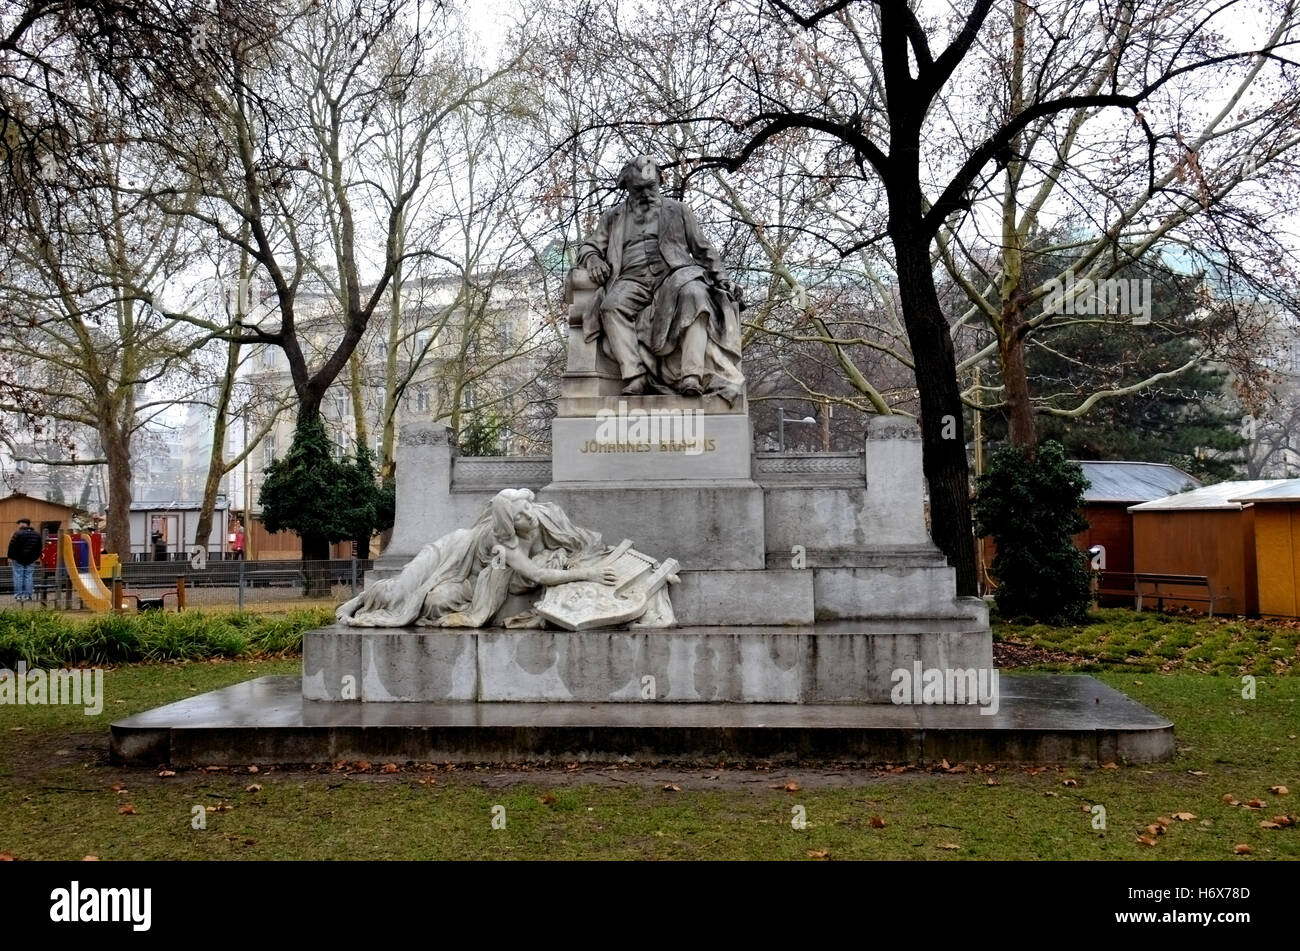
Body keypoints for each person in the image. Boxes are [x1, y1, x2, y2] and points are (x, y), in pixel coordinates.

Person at [576, 155, 746, 405]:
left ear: (660, 182)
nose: (645, 194)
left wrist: (722, 279)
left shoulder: (678, 211)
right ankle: (635, 375)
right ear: (628, 188)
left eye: (650, 187)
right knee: (610, 306)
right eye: (638, 189)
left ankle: (692, 375)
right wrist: (593, 260)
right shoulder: (613, 217)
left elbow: (703, 250)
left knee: (696, 295)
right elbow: (589, 247)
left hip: (674, 275)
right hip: (631, 278)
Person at [336, 489, 619, 628]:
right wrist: (587, 575)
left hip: (467, 576)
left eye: (528, 507)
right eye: (520, 515)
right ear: (508, 523)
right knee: (400, 591)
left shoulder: (545, 516)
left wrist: (586, 561)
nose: (529, 515)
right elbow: (538, 575)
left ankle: (368, 600)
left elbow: (585, 540)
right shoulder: (507, 544)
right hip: (447, 552)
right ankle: (361, 601)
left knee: (433, 602)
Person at [7, 518, 42, 603]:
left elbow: (12, 547)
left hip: (18, 559)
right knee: (28, 577)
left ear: (22, 524)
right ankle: (28, 595)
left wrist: (11, 557)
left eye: (19, 524)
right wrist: (34, 557)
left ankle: (18, 596)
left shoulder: (17, 534)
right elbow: (39, 548)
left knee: (18, 577)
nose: (18, 526)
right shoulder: (37, 534)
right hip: (30, 560)